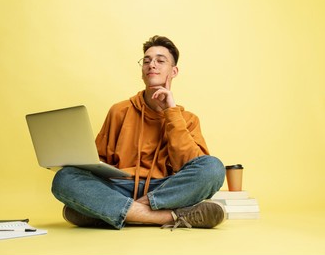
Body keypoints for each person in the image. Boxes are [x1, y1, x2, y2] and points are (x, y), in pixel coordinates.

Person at [52, 35, 226, 230]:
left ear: (174, 71)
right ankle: (167, 217)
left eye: (160, 60)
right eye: (146, 60)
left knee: (214, 168)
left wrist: (171, 112)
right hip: (119, 187)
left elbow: (191, 166)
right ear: (142, 71)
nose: (152, 64)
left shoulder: (188, 119)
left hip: (166, 190)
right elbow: (98, 161)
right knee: (64, 178)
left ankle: (111, 212)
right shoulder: (120, 111)